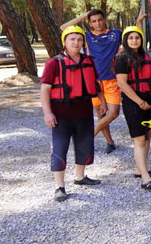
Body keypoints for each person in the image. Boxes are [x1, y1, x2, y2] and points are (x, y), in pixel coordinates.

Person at [60, 9, 144, 154]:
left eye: (100, 19)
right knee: (101, 114)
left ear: (104, 19)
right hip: (93, 81)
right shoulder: (86, 37)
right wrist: (84, 15)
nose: (97, 23)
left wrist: (139, 22)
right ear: (90, 23)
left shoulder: (115, 34)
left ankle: (88, 136)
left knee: (113, 113)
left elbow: (134, 36)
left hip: (112, 79)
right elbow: (63, 28)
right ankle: (109, 142)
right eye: (93, 21)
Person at [40, 26, 107, 202]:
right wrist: (48, 113)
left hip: (84, 111)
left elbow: (96, 84)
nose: (76, 43)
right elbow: (45, 89)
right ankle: (59, 187)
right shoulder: (54, 63)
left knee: (84, 145)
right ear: (65, 42)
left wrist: (102, 102)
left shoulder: (88, 61)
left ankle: (80, 177)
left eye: (79, 39)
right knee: (59, 149)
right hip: (61, 114)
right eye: (72, 39)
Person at [115, 26, 151, 190]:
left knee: (148, 135)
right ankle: (145, 178)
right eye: (131, 37)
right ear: (126, 40)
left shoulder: (145, 56)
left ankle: (140, 169)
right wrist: (139, 101)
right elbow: (122, 83)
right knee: (140, 139)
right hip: (133, 102)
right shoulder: (121, 58)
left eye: (137, 37)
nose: (134, 40)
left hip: (149, 100)